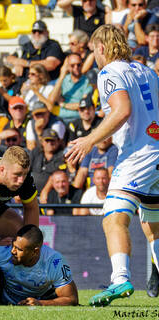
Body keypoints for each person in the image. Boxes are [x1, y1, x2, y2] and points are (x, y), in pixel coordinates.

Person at [66, 24, 159, 307]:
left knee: (113, 216)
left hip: (138, 155)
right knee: (153, 224)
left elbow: (123, 110)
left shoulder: (109, 72)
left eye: (94, 50)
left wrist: (89, 140)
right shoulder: (147, 71)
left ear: (101, 48)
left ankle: (120, 279)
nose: (94, 56)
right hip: (157, 150)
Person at [0, 225, 78, 306]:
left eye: (19, 249)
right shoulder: (3, 253)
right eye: (13, 245)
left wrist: (41, 304)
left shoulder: (54, 262)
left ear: (35, 251)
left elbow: (71, 299)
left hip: (40, 298)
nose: (12, 251)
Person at [45, 53, 93, 124]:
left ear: (82, 64)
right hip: (59, 119)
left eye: (78, 65)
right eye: (72, 65)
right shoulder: (63, 80)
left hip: (77, 119)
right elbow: (50, 101)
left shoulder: (87, 81)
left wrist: (63, 104)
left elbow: (83, 105)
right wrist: (62, 76)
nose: (76, 67)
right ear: (68, 67)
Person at [30, 128, 65, 193]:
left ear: (58, 142)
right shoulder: (35, 153)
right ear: (42, 142)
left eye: (53, 140)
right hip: (31, 193)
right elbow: (25, 171)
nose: (50, 143)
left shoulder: (62, 156)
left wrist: (45, 191)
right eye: (47, 140)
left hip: (51, 195)